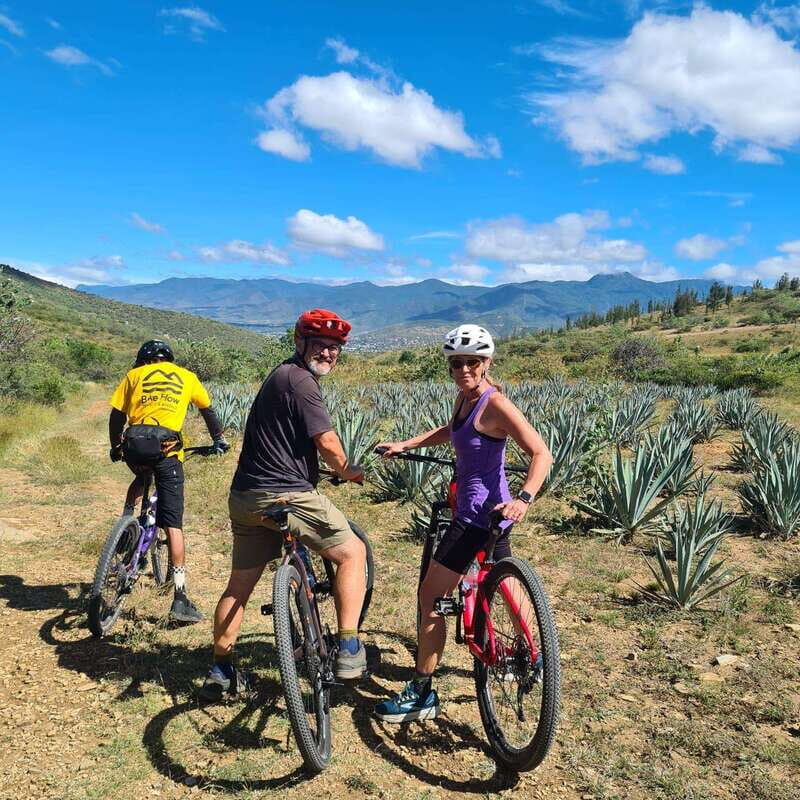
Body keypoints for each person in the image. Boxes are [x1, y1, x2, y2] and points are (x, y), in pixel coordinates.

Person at [373, 324, 553, 723]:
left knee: (430, 597)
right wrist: (407, 444)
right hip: (493, 515)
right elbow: (452, 432)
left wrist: (524, 499)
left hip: (476, 516)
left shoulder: (495, 404)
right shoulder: (464, 398)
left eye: (472, 362)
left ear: (487, 362)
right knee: (503, 579)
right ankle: (532, 653)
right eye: (457, 363)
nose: (464, 369)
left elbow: (541, 453)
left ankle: (421, 692)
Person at [200, 309, 367, 701]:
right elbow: (327, 443)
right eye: (320, 345)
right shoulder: (302, 381)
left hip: (246, 498)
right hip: (286, 495)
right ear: (299, 342)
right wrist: (348, 471)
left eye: (335, 348)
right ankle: (348, 647)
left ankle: (220, 668)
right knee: (352, 552)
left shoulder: (280, 375)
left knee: (239, 586)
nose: (328, 353)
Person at [108, 339, 229, 624]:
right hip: (166, 449)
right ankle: (180, 596)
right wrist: (219, 440)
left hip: (135, 445)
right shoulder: (186, 376)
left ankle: (126, 525)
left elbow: (117, 416)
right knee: (173, 524)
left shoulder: (134, 375)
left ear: (143, 360)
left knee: (141, 477)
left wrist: (116, 447)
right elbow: (208, 411)